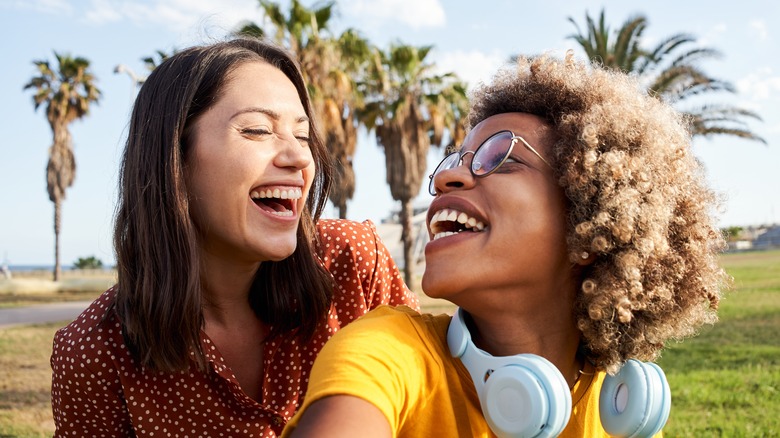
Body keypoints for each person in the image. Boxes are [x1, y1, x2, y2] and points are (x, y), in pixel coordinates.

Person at [283, 51, 728, 437]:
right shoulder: (389, 349)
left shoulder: (619, 412)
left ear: (592, 219)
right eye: (454, 160)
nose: (443, 178)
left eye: (499, 157)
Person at [50, 37, 419, 437]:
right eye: (258, 130)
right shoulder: (94, 352)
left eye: (302, 135)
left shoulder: (352, 263)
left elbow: (434, 406)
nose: (299, 158)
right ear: (175, 157)